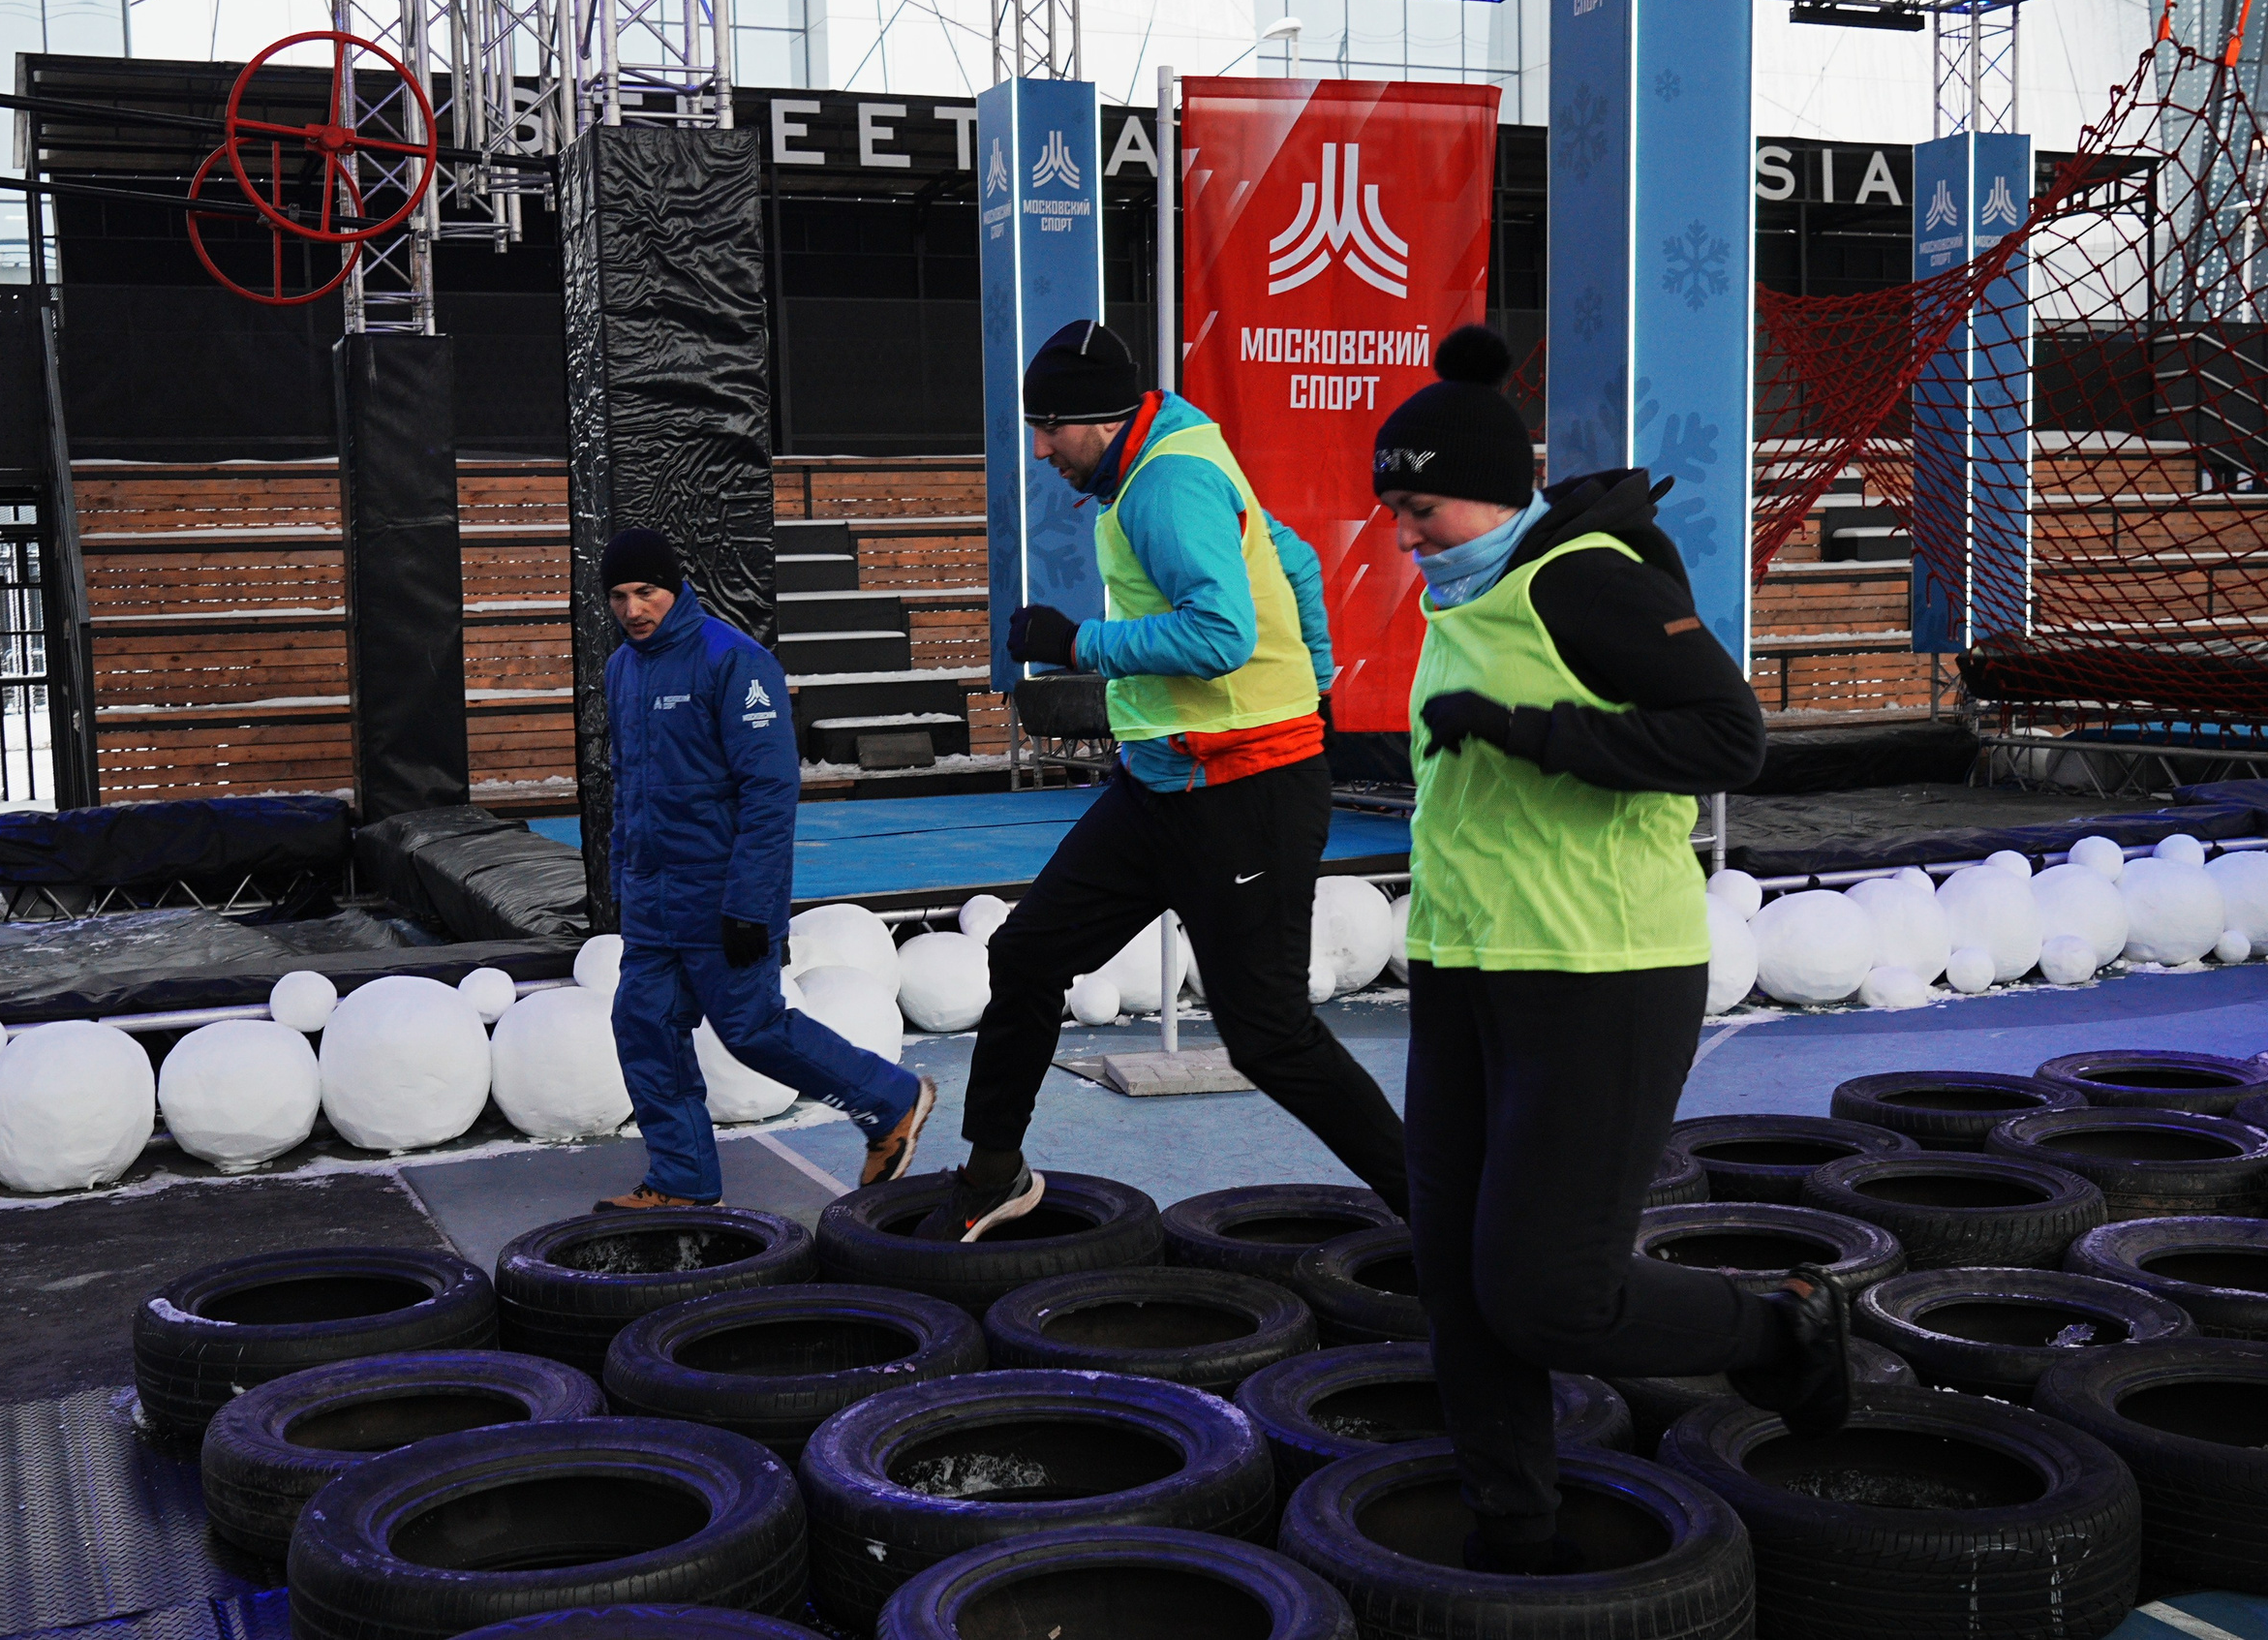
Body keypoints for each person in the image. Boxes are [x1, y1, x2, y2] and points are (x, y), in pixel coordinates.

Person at [1377, 325, 1849, 1573]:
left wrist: (1532, 733)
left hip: (1602, 977)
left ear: (1489, 486)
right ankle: (1513, 1527)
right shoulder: (1463, 589)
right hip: (1465, 969)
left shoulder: (1583, 577)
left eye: (1417, 506)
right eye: (1393, 511)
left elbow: (1726, 740)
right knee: (1454, 1275)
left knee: (1547, 1293)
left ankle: (1779, 1326)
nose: (1404, 533)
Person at [918, 320, 1410, 1243]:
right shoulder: (1166, 457)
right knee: (1026, 953)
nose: (1040, 448)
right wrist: (1318, 674)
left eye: (1049, 428)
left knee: (1268, 1037)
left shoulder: (1167, 483)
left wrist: (1077, 645)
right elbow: (1293, 559)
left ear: (1099, 423)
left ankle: (1441, 1210)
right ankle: (994, 1170)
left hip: (1245, 795)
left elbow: (1220, 635)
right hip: (1161, 787)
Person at [595, 526, 935, 1208]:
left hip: (722, 901)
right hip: (655, 903)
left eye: (646, 591)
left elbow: (770, 791)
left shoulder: (735, 662)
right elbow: (627, 787)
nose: (634, 608)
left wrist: (753, 904)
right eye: (619, 596)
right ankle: (682, 1179)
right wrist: (620, 882)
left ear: (674, 586)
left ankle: (892, 1098)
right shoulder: (621, 669)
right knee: (642, 1024)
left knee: (752, 1029)